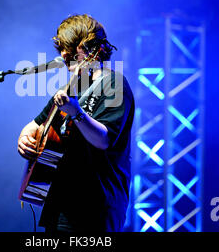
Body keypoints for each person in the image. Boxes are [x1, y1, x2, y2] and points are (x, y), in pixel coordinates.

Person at [17, 14, 135, 232]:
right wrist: (24, 138)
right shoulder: (70, 88)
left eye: (70, 47)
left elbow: (104, 139)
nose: (63, 54)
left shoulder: (114, 83)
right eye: (61, 48)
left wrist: (77, 113)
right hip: (59, 203)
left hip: (95, 208)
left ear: (90, 49)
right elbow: (35, 125)